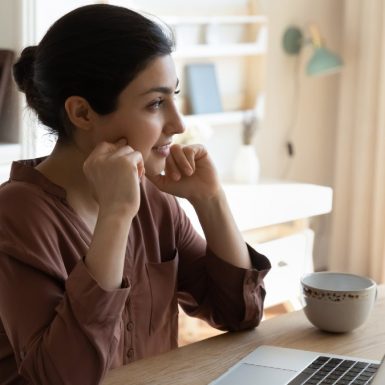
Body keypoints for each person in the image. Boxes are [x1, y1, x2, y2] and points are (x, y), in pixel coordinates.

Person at [0, 4, 271, 385]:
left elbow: (239, 314)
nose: (178, 124)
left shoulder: (156, 200)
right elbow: (61, 378)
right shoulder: (16, 214)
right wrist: (115, 216)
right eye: (156, 103)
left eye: (174, 97)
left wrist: (210, 200)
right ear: (82, 112)